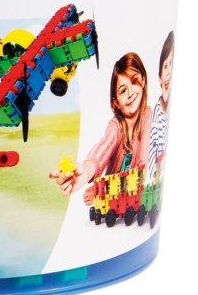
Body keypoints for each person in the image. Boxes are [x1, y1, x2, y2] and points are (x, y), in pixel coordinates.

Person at [50, 52, 151, 205]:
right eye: (123, 90)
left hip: (134, 202)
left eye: (135, 81)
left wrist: (104, 190)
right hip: (112, 206)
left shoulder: (148, 117)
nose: (130, 93)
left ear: (143, 80)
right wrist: (86, 171)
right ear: (115, 102)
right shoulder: (116, 126)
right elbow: (102, 150)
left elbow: (143, 170)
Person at [148, 32, 174, 180]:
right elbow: (152, 151)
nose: (169, 72)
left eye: (171, 63)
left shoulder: (168, 107)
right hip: (155, 174)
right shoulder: (156, 113)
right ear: (159, 77)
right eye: (165, 66)